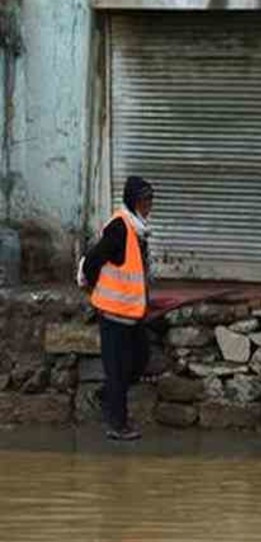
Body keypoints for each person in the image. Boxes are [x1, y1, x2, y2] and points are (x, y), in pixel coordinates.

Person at [79, 176, 155, 442]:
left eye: (150, 201)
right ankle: (117, 425)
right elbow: (93, 259)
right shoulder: (120, 229)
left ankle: (107, 395)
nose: (149, 206)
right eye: (144, 201)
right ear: (133, 202)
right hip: (113, 313)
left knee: (140, 361)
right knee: (118, 370)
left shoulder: (139, 229)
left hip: (132, 314)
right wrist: (88, 283)